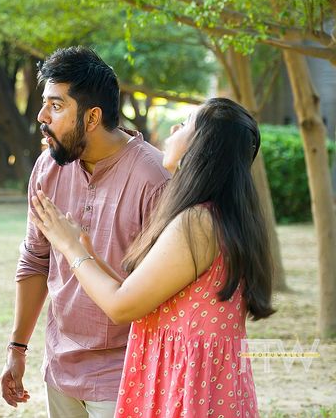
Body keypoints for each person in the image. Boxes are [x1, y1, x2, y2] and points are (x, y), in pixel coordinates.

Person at [30, 97, 274, 416]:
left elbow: (121, 306)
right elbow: (144, 295)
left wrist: (70, 248)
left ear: (204, 146)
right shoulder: (213, 217)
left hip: (190, 387)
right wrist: (87, 253)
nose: (173, 129)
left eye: (185, 124)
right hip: (198, 382)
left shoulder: (197, 223)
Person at [0, 46, 171, 417]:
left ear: (92, 117)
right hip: (60, 368)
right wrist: (17, 348)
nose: (42, 116)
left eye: (56, 106)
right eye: (44, 104)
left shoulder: (154, 179)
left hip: (126, 373)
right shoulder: (48, 168)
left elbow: (161, 294)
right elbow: (36, 261)